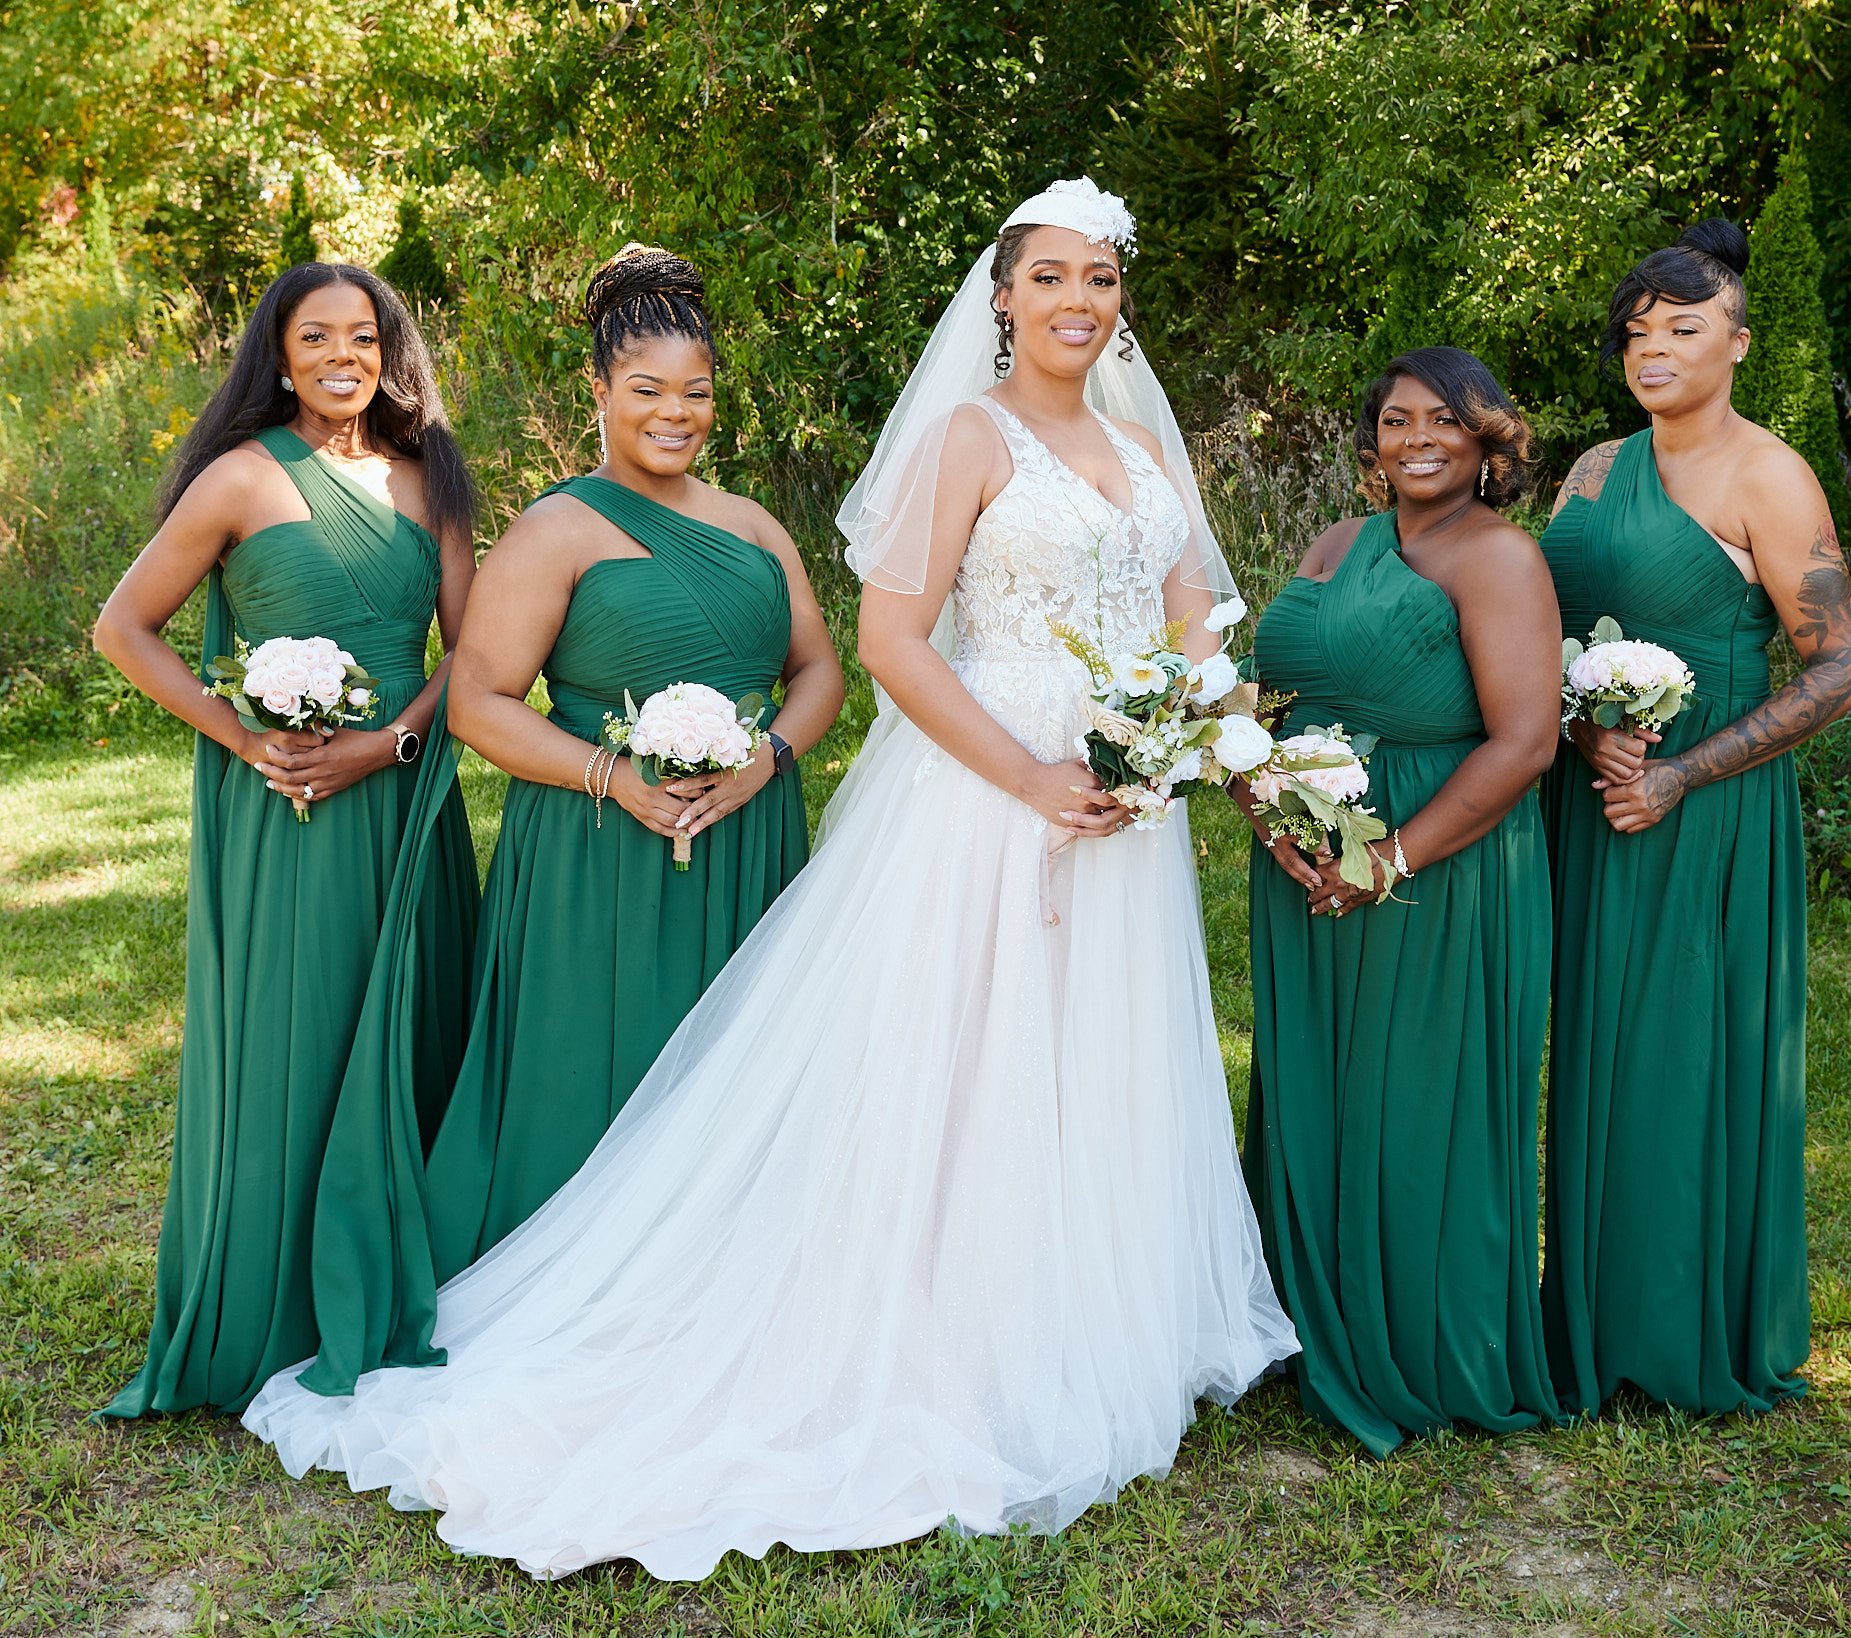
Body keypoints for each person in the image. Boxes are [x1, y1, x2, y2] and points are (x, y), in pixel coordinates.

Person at [241, 177, 1294, 1580]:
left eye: (1100, 278)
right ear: (1002, 297)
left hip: (1122, 796)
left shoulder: (1133, 448)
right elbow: (895, 643)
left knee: (1100, 1043)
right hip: (989, 788)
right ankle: (946, 1317)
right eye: (1050, 277)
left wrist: (1201, 741)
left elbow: (1178, 622)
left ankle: (1098, 1312)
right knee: (960, 1052)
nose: (1079, 301)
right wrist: (1030, 773)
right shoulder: (963, 439)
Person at [295, 245, 845, 1397]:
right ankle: (578, 1278)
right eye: (646, 391)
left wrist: (765, 762)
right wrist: (613, 777)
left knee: (739, 1068)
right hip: (598, 852)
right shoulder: (557, 528)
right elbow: (484, 704)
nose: (674, 414)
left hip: (747, 841)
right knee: (597, 1073)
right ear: (598, 393)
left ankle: (737, 1285)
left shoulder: (751, 526)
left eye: (694, 392)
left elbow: (819, 673)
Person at [92, 263, 479, 1418]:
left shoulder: (432, 481)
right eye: (318, 338)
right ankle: (272, 1300)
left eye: (363, 337)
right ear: (279, 353)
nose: (343, 357)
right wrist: (241, 737)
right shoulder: (240, 479)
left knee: (409, 1025)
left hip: (405, 798)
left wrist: (393, 745)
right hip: (287, 807)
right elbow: (125, 629)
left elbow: (470, 653)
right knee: (295, 1037)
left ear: (389, 352)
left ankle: (405, 1268)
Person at [1541, 220, 1851, 1417]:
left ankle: (1679, 1332)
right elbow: (1549, 633)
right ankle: (1585, 1314)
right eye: (1636, 331)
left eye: (1681, 328)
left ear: (1735, 341)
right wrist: (1584, 733)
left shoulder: (1767, 477)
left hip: (1705, 816)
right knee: (1595, 1051)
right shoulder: (1587, 471)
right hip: (1591, 800)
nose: (1653, 349)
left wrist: (1683, 774)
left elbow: (1840, 669)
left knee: (1683, 1058)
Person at [1239, 347, 1562, 1452]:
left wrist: (1391, 859)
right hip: (1303, 850)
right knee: (1312, 1084)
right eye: (1391, 420)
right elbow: (1270, 694)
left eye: (1439, 420)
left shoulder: (1499, 557)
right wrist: (1259, 799)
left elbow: (1523, 744)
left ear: (1485, 439)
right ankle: (1300, 1323)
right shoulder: (1336, 542)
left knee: (1416, 1095)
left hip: (1436, 859)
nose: (1413, 437)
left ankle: (1424, 1347)